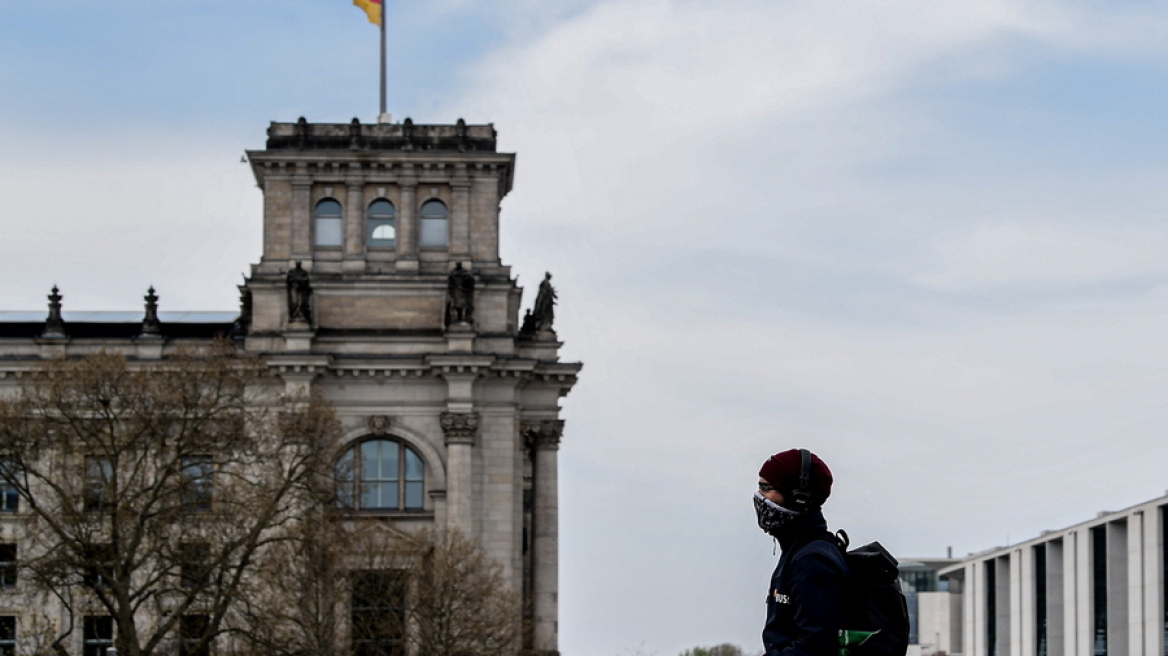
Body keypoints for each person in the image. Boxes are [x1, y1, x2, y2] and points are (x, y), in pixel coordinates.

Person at [755, 449, 851, 656]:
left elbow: (815, 647)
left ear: (798, 497)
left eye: (766, 488)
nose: (759, 498)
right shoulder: (800, 551)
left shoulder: (811, 561)